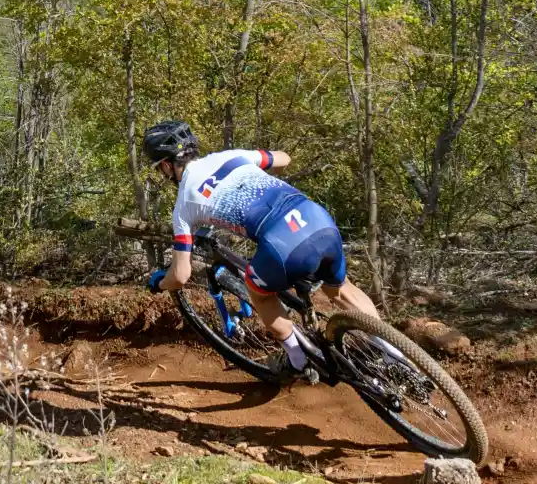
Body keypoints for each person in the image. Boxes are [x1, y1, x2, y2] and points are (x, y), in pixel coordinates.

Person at [138, 119, 383, 377]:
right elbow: (284, 159)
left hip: (283, 243)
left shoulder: (184, 204)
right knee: (341, 290)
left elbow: (180, 276)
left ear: (166, 165)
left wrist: (160, 284)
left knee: (259, 293)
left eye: (160, 169)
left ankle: (300, 362)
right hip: (317, 218)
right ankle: (395, 355)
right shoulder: (230, 156)